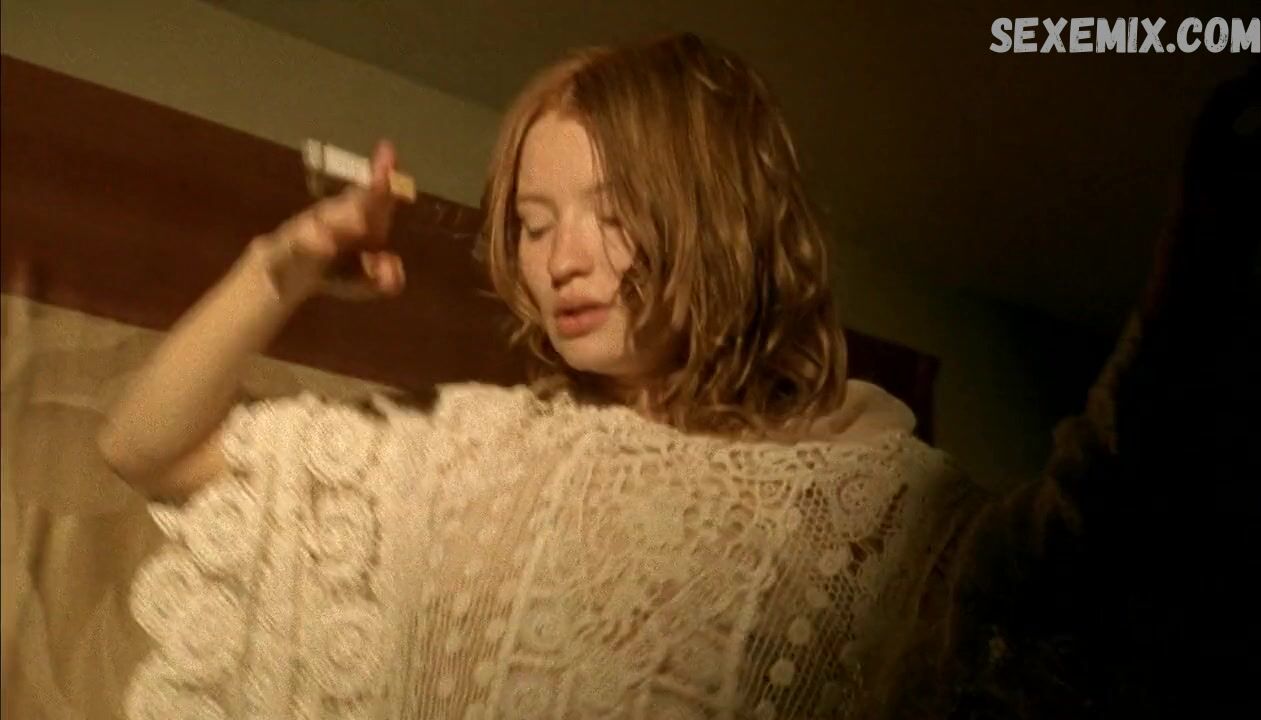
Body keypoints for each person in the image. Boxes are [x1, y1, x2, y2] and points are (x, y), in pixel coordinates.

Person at [98, 33, 979, 719]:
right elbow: (145, 446)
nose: (562, 261)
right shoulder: (467, 456)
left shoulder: (881, 507)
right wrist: (277, 268)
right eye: (533, 223)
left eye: (613, 212)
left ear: (717, 216)